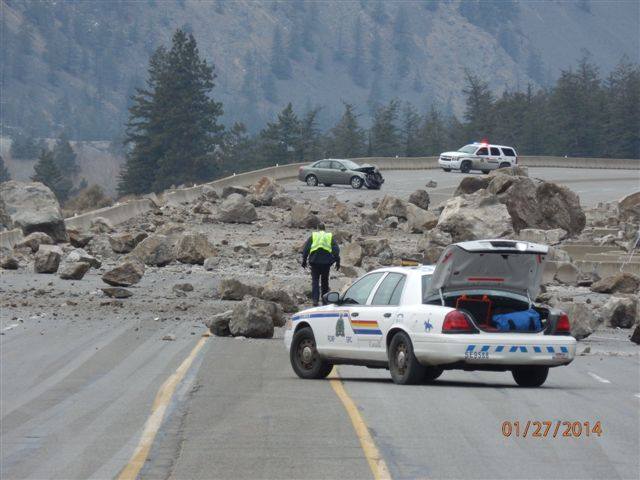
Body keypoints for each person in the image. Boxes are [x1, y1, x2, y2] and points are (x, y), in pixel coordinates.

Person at [301, 224, 340, 306]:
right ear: (324, 229)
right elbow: (336, 249)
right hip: (326, 262)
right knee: (325, 281)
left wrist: (304, 261)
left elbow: (306, 249)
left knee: (315, 281)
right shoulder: (329, 236)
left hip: (314, 261)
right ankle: (325, 300)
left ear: (318, 228)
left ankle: (315, 300)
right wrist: (337, 261)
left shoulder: (314, 236)